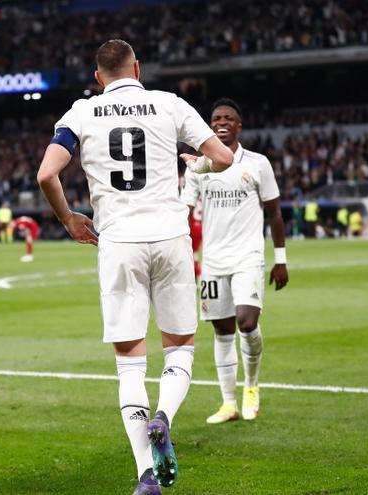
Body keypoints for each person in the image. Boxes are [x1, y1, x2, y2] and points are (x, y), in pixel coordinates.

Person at [35, 39, 233, 494]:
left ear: (97, 77)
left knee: (129, 362)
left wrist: (68, 219)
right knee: (180, 346)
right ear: (137, 68)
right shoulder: (168, 103)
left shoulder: (81, 112)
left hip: (118, 241)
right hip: (170, 237)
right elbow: (222, 158)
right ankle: (163, 415)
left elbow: (47, 174)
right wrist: (196, 165)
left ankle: (147, 475)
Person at [181, 98, 289, 425]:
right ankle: (228, 403)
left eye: (228, 118)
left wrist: (280, 260)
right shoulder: (200, 167)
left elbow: (274, 212)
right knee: (222, 330)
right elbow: (184, 211)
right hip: (213, 262)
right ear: (210, 125)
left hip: (248, 258)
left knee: (246, 321)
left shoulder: (257, 163)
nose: (221, 122)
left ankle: (251, 387)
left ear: (238, 126)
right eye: (216, 118)